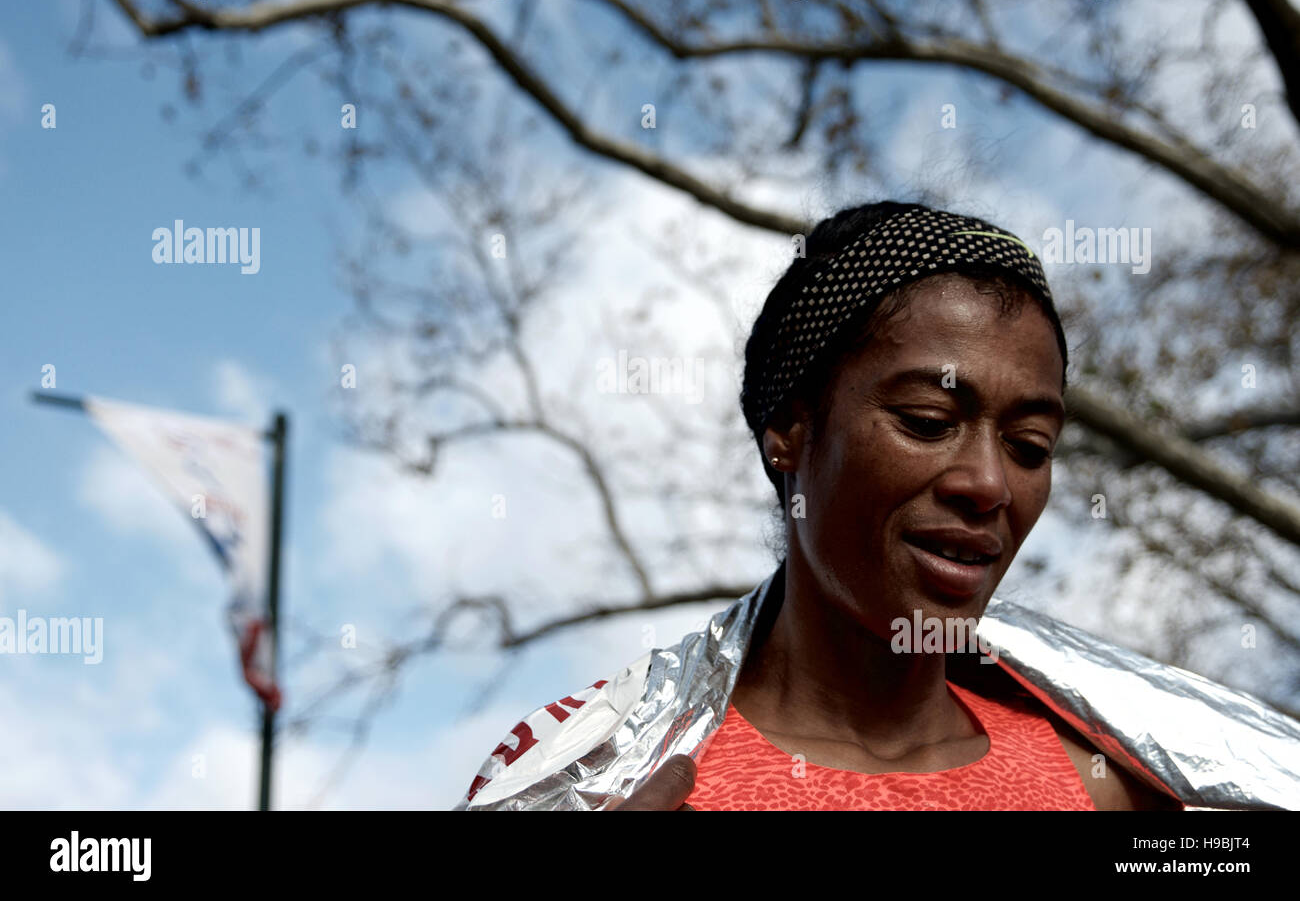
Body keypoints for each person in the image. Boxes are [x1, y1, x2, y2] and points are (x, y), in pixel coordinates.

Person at [455, 201, 1299, 811]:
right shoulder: (595, 778)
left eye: (1030, 446)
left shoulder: (1114, 788)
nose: (990, 483)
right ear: (789, 431)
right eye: (928, 421)